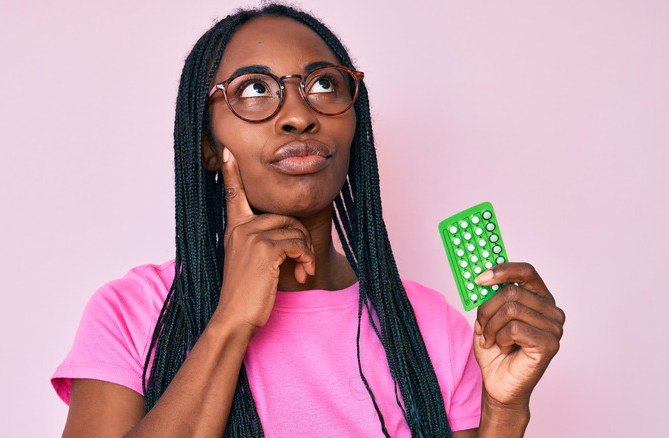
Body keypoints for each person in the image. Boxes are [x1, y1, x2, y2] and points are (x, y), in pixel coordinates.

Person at [52, 4, 565, 437]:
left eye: (324, 84)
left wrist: (504, 411)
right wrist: (230, 320)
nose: (298, 114)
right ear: (208, 144)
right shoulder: (133, 313)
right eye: (253, 90)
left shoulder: (432, 329)